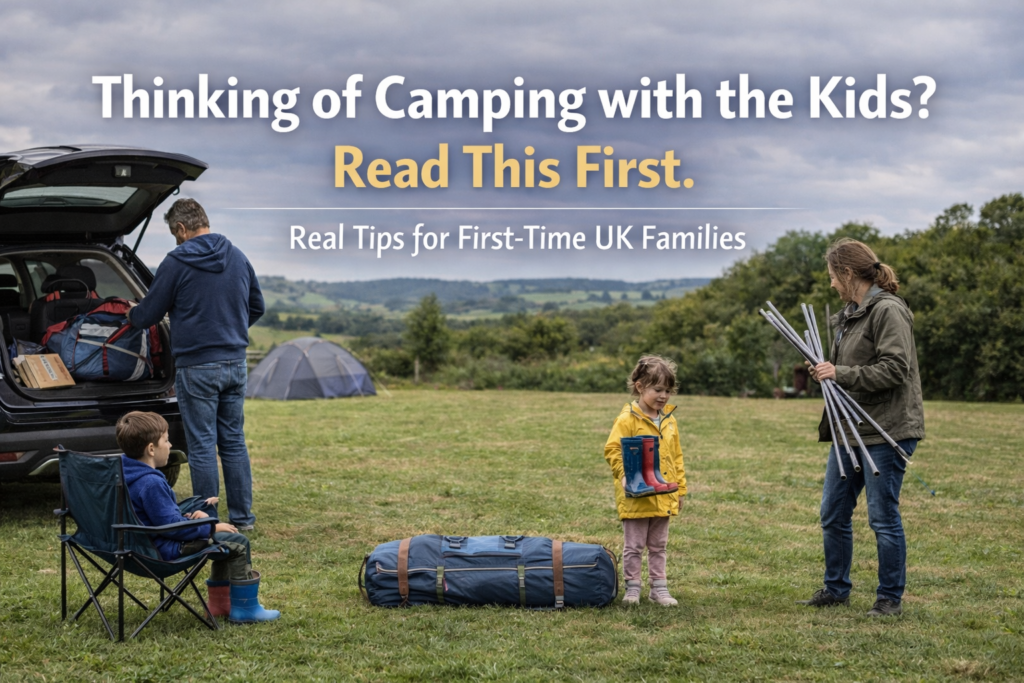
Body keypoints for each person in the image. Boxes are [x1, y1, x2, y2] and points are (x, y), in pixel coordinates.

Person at [800, 238, 925, 617]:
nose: (831, 285)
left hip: (886, 429)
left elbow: (895, 369)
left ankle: (890, 598)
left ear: (848, 273)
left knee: (882, 518)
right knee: (833, 513)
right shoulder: (850, 314)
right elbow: (846, 371)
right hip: (849, 430)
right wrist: (826, 372)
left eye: (832, 277)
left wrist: (841, 372)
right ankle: (836, 588)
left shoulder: (887, 310)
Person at [127, 198, 264, 530]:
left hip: (197, 367)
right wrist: (228, 331)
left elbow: (148, 315)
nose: (176, 240)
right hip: (235, 362)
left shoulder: (176, 262)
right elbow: (257, 306)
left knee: (202, 443)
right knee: (232, 439)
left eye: (175, 234)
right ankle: (243, 519)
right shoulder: (237, 256)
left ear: (181, 229)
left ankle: (208, 521)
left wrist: (131, 312)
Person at [116, 411, 279, 623]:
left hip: (128, 544)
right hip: (160, 549)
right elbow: (173, 529)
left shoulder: (121, 472)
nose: (170, 443)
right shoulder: (151, 483)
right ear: (151, 449)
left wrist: (188, 516)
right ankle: (245, 608)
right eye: (166, 440)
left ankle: (220, 605)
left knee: (226, 542)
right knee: (237, 542)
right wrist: (210, 526)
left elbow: (152, 515)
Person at [603, 355, 687, 607]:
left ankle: (659, 589)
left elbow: (677, 458)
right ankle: (632, 588)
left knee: (659, 545)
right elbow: (613, 450)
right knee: (634, 545)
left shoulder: (669, 420)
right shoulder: (627, 419)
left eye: (668, 391)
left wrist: (680, 489)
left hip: (663, 495)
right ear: (640, 387)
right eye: (658, 389)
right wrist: (625, 474)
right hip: (637, 496)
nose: (663, 396)